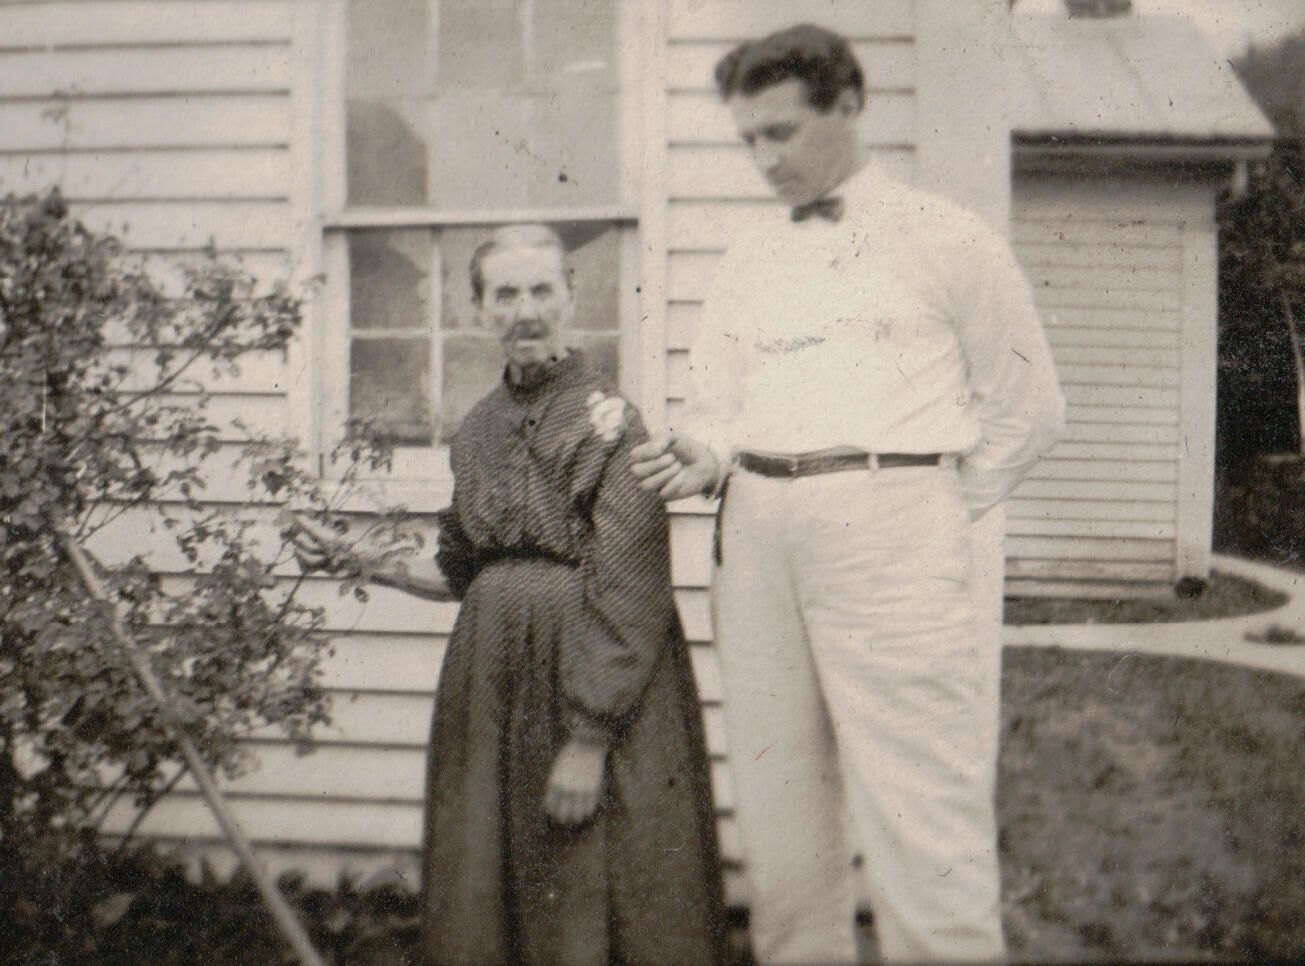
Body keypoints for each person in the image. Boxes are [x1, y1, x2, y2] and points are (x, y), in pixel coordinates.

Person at [630, 24, 1066, 964]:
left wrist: (925, 507)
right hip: (756, 537)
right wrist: (706, 454)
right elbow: (715, 405)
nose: (762, 159)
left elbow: (1028, 412)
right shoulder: (748, 258)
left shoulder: (949, 239)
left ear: (850, 106)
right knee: (780, 818)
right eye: (748, 138)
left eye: (780, 132)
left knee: (924, 818)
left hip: (891, 531)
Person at [294, 225, 725, 966]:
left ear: (570, 297)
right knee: (492, 879)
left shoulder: (613, 423)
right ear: (478, 308)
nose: (525, 311)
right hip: (493, 684)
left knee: (586, 872)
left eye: (540, 290)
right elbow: (463, 572)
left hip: (594, 684)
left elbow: (632, 586)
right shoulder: (477, 431)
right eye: (504, 294)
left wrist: (588, 741)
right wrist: (360, 560)